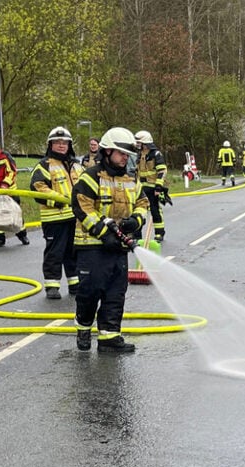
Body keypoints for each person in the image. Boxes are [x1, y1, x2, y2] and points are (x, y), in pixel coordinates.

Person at [71, 127, 149, 353]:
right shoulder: (92, 176)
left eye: (128, 154)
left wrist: (136, 221)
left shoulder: (131, 178)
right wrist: (104, 233)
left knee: (116, 292)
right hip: (92, 245)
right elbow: (81, 205)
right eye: (121, 153)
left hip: (118, 246)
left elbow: (142, 203)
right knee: (90, 291)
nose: (125, 157)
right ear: (107, 152)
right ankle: (84, 327)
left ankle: (109, 337)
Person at [30, 126, 85, 299]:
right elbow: (37, 188)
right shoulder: (44, 165)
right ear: (50, 145)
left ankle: (74, 283)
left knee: (73, 251)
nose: (61, 145)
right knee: (55, 252)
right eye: (57, 142)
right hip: (54, 218)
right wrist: (59, 200)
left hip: (74, 218)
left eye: (64, 143)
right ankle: (52, 285)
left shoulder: (77, 166)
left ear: (69, 145)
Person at [134, 130, 167, 242]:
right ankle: (136, 235)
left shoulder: (155, 154)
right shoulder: (139, 155)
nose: (138, 145)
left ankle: (159, 233)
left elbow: (162, 171)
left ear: (145, 143)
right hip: (140, 188)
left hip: (153, 188)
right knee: (138, 210)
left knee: (155, 210)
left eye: (139, 143)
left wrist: (158, 187)